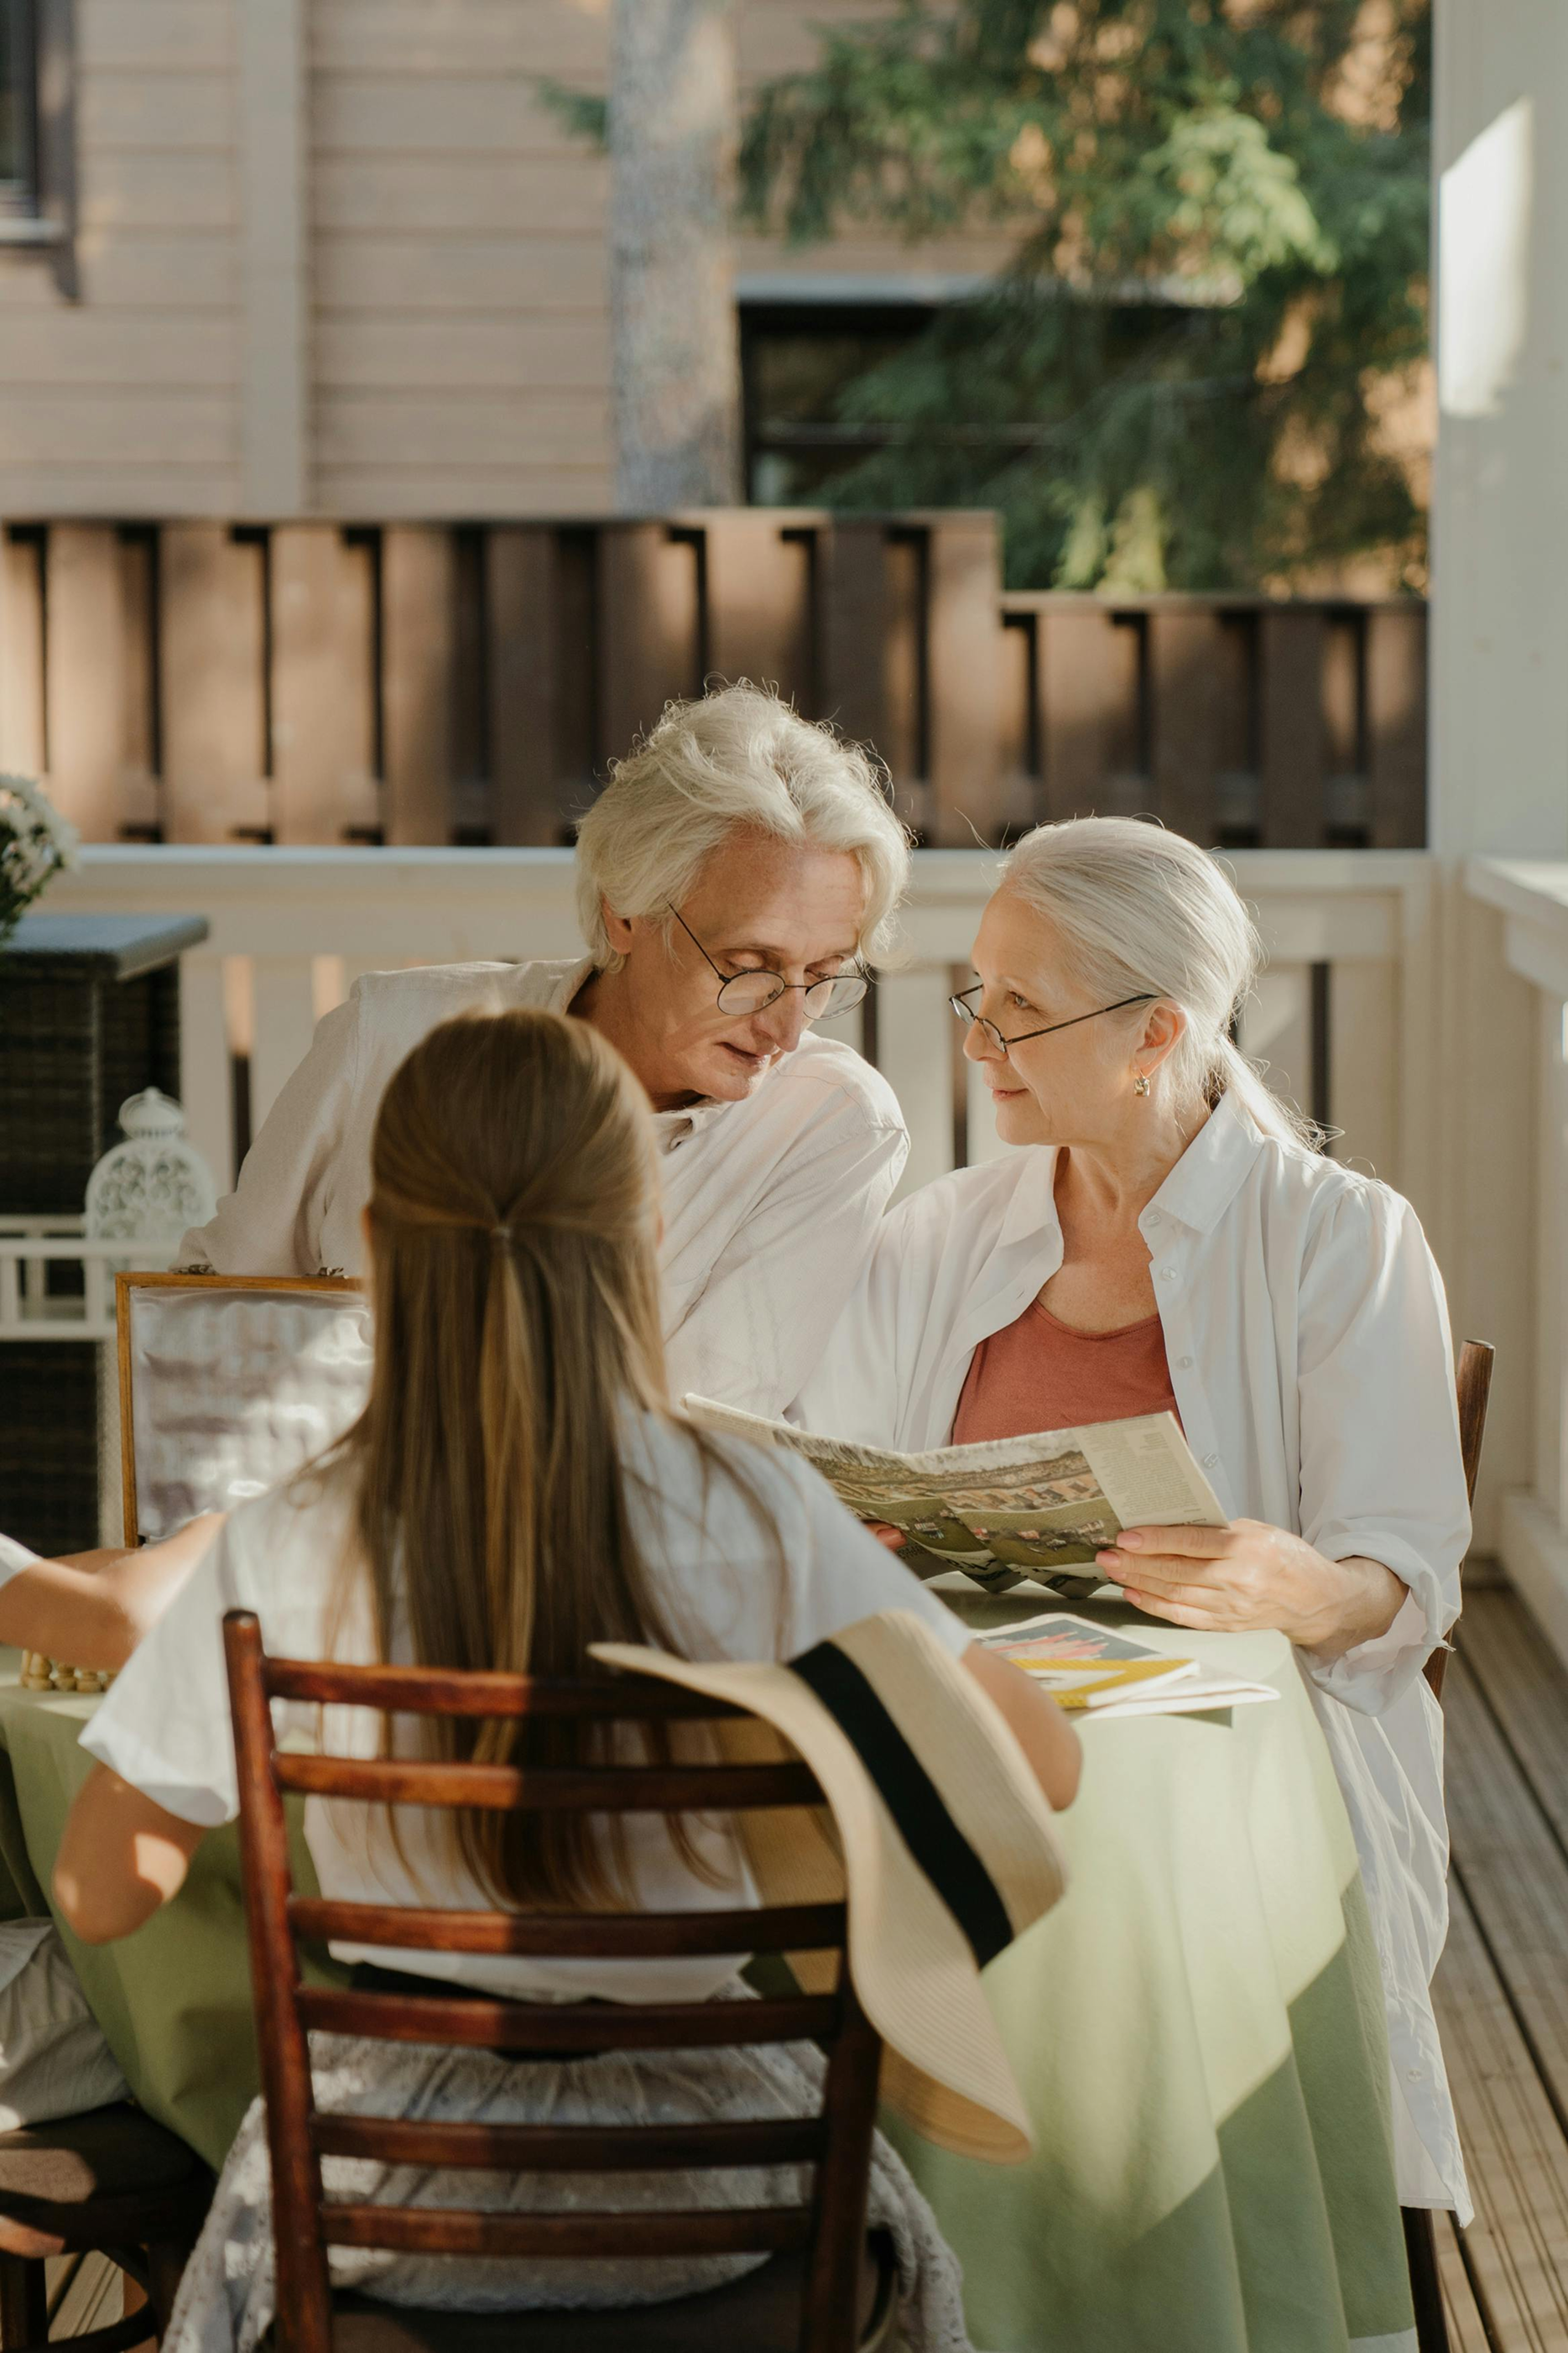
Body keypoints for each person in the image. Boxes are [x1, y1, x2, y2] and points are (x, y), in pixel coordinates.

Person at [52, 1007, 1078, 2330]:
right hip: (730, 2189)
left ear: (376, 1247)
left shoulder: (291, 1534)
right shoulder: (762, 1511)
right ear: (646, 1237)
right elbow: (1040, 1768)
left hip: (390, 2195)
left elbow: (98, 1895)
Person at [797, 815, 1472, 2223]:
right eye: (975, 991)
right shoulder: (938, 1234)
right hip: (977, 1720)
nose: (977, 1039)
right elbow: (828, 1487)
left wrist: (1295, 1582)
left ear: (1154, 1030)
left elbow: (1404, 1581)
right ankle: (911, 2238)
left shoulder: (1339, 1237)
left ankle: (1090, 2241)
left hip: (1227, 1763)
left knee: (1073, 1870)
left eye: (1021, 1009)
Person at [180, 684, 913, 1416]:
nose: (786, 1030)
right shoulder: (390, 1035)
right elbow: (207, 1318)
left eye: (820, 977)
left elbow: (693, 1437)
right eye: (747, 966)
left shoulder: (834, 1125)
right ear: (622, 909)